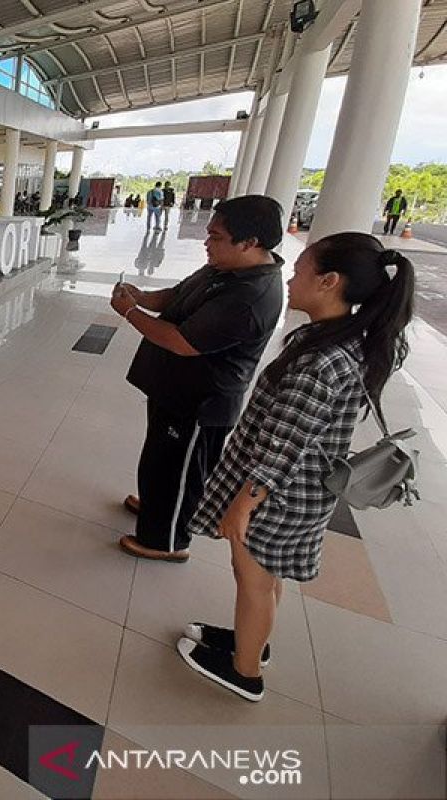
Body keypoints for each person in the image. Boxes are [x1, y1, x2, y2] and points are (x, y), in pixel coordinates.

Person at [177, 234, 415, 702]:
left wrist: (243, 506)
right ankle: (254, 641)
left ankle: (245, 672)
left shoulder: (320, 360)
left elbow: (284, 446)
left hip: (278, 494)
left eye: (301, 270)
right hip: (302, 491)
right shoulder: (344, 340)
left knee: (253, 577)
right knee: (265, 576)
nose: (291, 277)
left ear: (328, 282)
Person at [111, 195, 286, 562]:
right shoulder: (226, 269)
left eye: (216, 236)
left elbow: (182, 341)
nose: (207, 242)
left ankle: (168, 541)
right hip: (174, 389)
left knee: (181, 471)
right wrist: (141, 297)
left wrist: (129, 312)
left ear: (249, 242)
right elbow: (176, 296)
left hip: (200, 401)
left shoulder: (250, 295)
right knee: (161, 459)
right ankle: (157, 508)